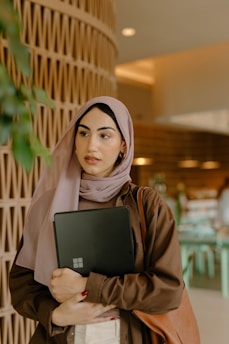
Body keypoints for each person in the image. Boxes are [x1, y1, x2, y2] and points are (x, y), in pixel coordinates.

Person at [9, 96, 183, 344]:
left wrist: (87, 285)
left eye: (105, 135)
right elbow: (21, 287)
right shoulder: (48, 205)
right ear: (74, 140)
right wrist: (56, 314)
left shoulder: (147, 205)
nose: (92, 146)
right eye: (83, 133)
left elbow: (168, 291)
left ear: (123, 145)